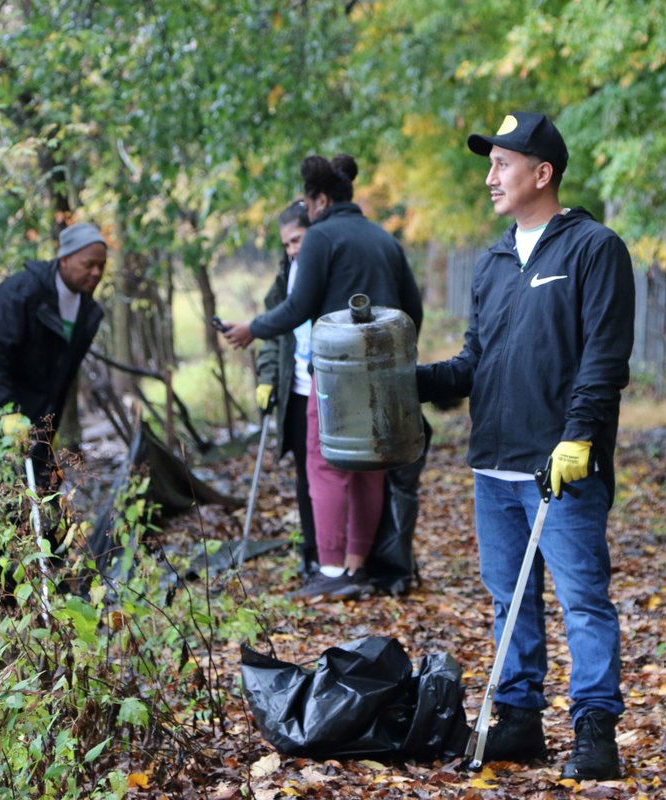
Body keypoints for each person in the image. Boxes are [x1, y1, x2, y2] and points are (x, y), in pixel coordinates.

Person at [416, 111, 635, 781]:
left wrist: (578, 440)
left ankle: (595, 729)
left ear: (542, 173)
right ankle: (519, 720)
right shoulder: (492, 260)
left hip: (560, 466)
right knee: (509, 599)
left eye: (502, 164)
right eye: (491, 165)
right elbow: (474, 362)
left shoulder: (593, 249)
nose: (491, 178)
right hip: (493, 464)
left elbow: (604, 357)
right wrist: (403, 381)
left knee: (582, 599)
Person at [222, 154, 423, 600]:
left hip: (334, 376)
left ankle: (330, 571)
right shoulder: (384, 240)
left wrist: (250, 328)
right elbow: (414, 308)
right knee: (369, 469)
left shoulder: (322, 237)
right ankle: (357, 568)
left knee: (326, 467)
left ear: (321, 201)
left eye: (309, 206)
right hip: (383, 380)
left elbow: (299, 307)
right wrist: (395, 364)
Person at [0, 221, 107, 467]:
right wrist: (7, 414)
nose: (96, 272)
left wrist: (48, 429)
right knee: (0, 485)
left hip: (29, 413)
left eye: (101, 266)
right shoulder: (20, 293)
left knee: (43, 489)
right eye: (88, 265)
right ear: (64, 260)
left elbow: (60, 379)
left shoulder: (88, 313)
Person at [254, 200, 319, 577]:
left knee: (331, 473)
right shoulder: (285, 277)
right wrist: (267, 378)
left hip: (326, 387)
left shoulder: (328, 270)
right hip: (294, 389)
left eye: (298, 240)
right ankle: (310, 552)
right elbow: (272, 335)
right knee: (304, 474)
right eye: (287, 244)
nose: (293, 250)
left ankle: (334, 553)